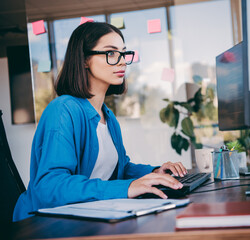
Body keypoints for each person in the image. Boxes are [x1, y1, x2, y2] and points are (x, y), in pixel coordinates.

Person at [13, 22, 187, 222]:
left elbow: (120, 168)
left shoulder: (107, 116)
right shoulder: (63, 110)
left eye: (123, 53)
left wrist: (153, 172)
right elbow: (50, 186)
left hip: (87, 216)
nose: (121, 61)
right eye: (111, 53)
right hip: (42, 225)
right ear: (85, 60)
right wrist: (127, 187)